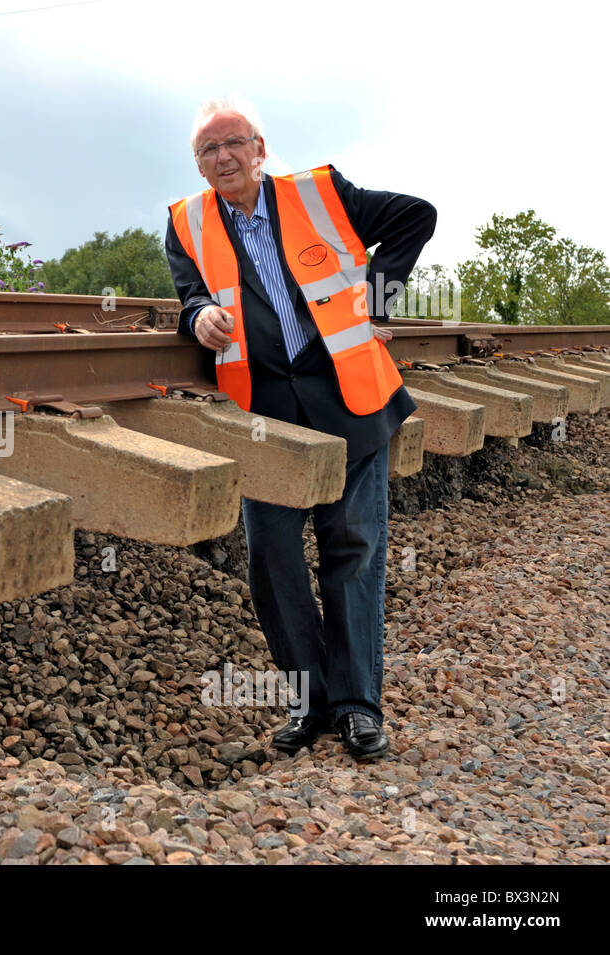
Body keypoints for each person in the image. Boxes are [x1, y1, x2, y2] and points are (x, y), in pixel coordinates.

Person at [165, 97, 436, 760]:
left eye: (234, 143)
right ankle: (309, 703)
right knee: (274, 561)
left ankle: (357, 708)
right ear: (199, 165)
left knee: (353, 552)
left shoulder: (321, 193)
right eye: (209, 150)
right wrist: (197, 317)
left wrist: (377, 298)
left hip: (352, 402)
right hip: (265, 420)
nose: (223, 157)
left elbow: (415, 216)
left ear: (260, 148)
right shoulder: (186, 224)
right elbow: (190, 295)